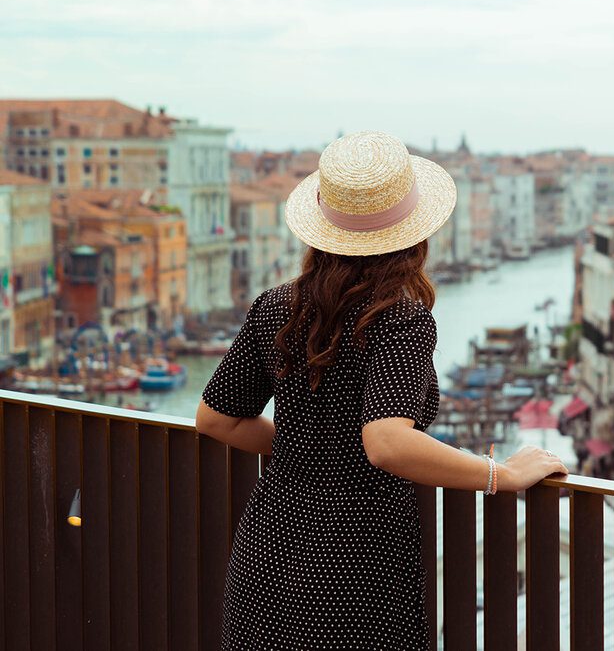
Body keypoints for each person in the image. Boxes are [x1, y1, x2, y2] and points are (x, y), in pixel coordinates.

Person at [196, 130, 568, 650]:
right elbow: (387, 441)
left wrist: (312, 446)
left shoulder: (277, 305)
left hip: (269, 549)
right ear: (415, 236)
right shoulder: (399, 319)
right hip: (356, 566)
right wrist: (500, 475)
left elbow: (217, 419)